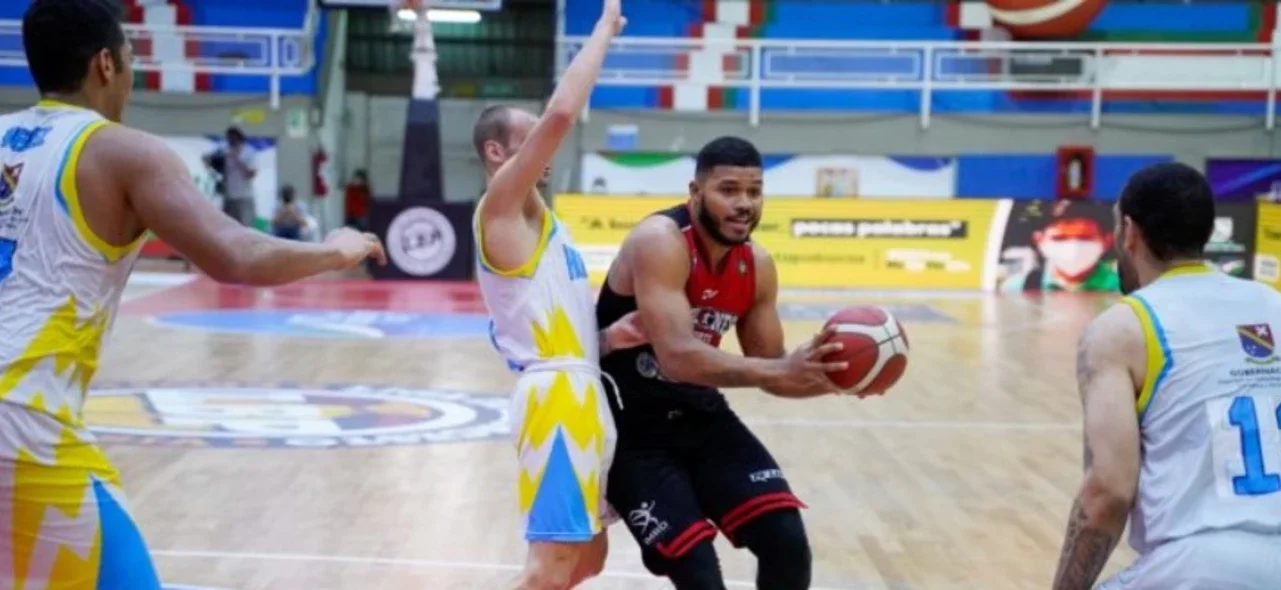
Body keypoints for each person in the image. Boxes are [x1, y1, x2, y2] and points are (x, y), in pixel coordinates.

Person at [0, 1, 386, 588]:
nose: (131, 74)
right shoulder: (122, 151)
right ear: (106, 64)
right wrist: (336, 250)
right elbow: (236, 255)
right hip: (24, 418)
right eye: (130, 59)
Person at [595, 136, 853, 590]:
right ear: (695, 192)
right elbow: (676, 356)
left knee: (786, 543)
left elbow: (773, 372)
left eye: (754, 192)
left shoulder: (758, 265)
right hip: (631, 433)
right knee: (699, 573)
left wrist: (841, 379)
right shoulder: (660, 240)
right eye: (728, 190)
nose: (744, 204)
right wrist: (781, 369)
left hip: (703, 418)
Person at [1051, 162, 1281, 589]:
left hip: (1203, 564)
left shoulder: (1122, 328)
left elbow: (1109, 492)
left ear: (1129, 231)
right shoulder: (1272, 303)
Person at [469, 0, 635, 587]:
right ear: (497, 153)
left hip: (582, 388)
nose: (547, 145)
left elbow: (548, 321)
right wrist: (603, 30)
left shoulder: (547, 227)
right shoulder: (501, 208)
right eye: (530, 135)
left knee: (587, 558)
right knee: (551, 565)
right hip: (556, 403)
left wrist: (609, 337)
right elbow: (564, 112)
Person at [203, 125, 258, 227]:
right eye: (229, 138)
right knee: (228, 227)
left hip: (244, 196)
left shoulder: (248, 152)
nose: (231, 141)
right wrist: (210, 161)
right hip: (228, 196)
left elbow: (252, 173)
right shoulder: (224, 150)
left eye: (234, 138)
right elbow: (207, 159)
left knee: (245, 226)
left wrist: (237, 158)